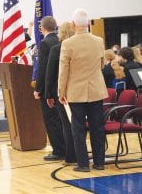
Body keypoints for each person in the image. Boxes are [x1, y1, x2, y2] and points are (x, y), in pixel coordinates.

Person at [58, 9, 108, 172]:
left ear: (73, 25)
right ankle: (99, 162)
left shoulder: (67, 44)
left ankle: (83, 164)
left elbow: (63, 71)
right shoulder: (99, 41)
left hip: (75, 91)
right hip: (96, 90)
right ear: (88, 23)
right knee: (97, 127)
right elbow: (101, 64)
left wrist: (61, 92)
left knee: (78, 129)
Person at [33, 16, 65, 161]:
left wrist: (38, 89)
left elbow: (43, 69)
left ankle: (58, 150)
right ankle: (65, 147)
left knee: (51, 120)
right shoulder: (61, 41)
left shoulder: (45, 43)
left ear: (42, 28)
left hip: (49, 89)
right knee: (61, 120)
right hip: (61, 86)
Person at [45, 22, 77, 166]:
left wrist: (48, 95)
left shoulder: (57, 49)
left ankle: (71, 156)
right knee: (77, 124)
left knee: (66, 124)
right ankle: (80, 153)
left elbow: (50, 74)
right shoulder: (78, 47)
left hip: (62, 93)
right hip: (78, 91)